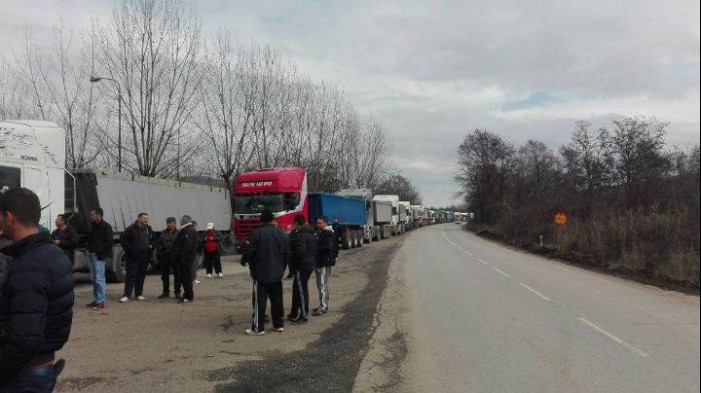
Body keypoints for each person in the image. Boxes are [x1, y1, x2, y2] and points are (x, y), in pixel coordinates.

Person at [0, 188, 74, 392]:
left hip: (24, 373)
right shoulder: (52, 253)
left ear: (9, 217)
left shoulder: (30, 264)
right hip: (41, 364)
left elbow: (26, 337)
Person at [243, 209, 288, 335]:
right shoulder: (280, 233)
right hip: (277, 273)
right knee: (277, 300)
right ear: (272, 219)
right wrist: (282, 269)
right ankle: (279, 325)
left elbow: (250, 251)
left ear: (261, 220)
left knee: (259, 302)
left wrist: (243, 260)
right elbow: (286, 253)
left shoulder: (256, 233)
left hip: (261, 273)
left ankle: (258, 328)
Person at [288, 214, 316, 325]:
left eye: (294, 224)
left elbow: (300, 251)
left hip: (302, 265)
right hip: (309, 264)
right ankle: (297, 313)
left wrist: (291, 255)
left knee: (302, 291)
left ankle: (303, 315)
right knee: (301, 289)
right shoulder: (311, 233)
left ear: (296, 224)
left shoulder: (301, 235)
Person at [119, 213, 154, 303]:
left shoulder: (149, 229)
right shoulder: (131, 229)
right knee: (131, 275)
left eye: (147, 218)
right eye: (144, 218)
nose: (146, 220)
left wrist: (151, 246)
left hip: (145, 256)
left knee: (141, 275)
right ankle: (127, 295)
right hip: (133, 256)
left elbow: (153, 240)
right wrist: (130, 250)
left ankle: (139, 294)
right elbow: (123, 240)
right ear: (139, 219)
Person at [86, 207, 113, 310]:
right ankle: (96, 299)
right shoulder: (93, 226)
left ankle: (101, 301)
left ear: (99, 215)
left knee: (99, 278)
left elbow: (109, 242)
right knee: (93, 278)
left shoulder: (106, 227)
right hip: (91, 254)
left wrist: (99, 251)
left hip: (99, 256)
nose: (90, 216)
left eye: (92, 214)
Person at [314, 215, 336, 316]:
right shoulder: (321, 233)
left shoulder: (328, 233)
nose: (318, 224)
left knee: (322, 284)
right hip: (320, 262)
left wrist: (315, 248)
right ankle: (322, 304)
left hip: (324, 262)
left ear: (325, 223)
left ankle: (323, 306)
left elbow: (329, 247)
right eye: (317, 223)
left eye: (320, 223)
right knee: (321, 284)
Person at [172, 215, 197, 304]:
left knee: (186, 278)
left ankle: (188, 296)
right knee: (185, 278)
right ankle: (187, 295)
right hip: (184, 258)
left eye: (181, 220)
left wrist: (182, 257)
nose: (180, 222)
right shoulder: (186, 230)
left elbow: (187, 245)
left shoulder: (188, 230)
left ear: (185, 221)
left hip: (185, 259)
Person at [157, 217, 180, 299]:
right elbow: (159, 244)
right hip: (165, 256)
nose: (169, 224)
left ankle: (177, 292)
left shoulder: (179, 233)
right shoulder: (163, 233)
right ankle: (165, 292)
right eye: (168, 223)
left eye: (171, 222)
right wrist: (160, 253)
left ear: (174, 223)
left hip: (175, 257)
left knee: (177, 275)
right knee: (165, 275)